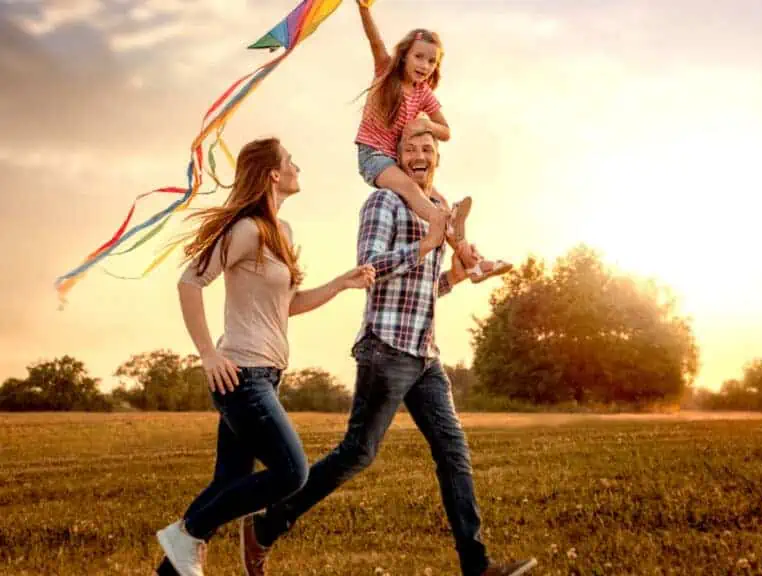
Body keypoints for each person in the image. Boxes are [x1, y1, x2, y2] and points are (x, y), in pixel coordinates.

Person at [239, 129, 537, 576]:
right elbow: (370, 266)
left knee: (453, 450)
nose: (420, 156)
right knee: (358, 452)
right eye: (410, 150)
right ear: (396, 160)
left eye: (427, 149)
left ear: (437, 158)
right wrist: (427, 244)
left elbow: (424, 290)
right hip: (386, 349)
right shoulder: (384, 203)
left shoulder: (438, 209)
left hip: (424, 353)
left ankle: (477, 567)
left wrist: (454, 276)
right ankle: (266, 526)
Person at [152, 137, 376, 576]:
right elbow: (190, 282)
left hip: (266, 375)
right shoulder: (246, 229)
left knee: (229, 483)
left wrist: (340, 284)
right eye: (291, 160)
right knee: (292, 473)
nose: (297, 166)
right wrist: (208, 353)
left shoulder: (281, 233)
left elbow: (287, 305)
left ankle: (173, 561)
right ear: (274, 174)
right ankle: (188, 532)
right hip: (241, 375)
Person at [353, 0, 512, 284]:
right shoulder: (386, 73)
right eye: (419, 57)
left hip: (397, 158)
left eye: (431, 61)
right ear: (404, 56)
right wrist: (364, 9)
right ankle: (443, 222)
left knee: (438, 199)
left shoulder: (423, 93)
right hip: (374, 156)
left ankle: (473, 264)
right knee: (416, 193)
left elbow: (446, 131)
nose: (425, 65)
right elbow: (374, 40)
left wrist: (426, 124)